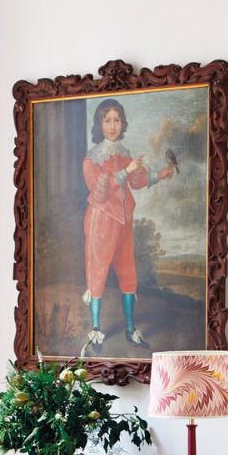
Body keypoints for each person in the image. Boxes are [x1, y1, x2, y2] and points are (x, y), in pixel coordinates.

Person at [81, 98, 175, 349]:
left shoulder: (124, 154)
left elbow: (137, 179)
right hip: (101, 222)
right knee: (98, 271)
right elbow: (100, 191)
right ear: (99, 124)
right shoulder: (91, 160)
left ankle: (131, 329)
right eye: (107, 120)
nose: (112, 125)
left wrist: (160, 174)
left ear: (123, 124)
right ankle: (96, 330)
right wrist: (125, 171)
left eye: (117, 120)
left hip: (123, 221)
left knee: (128, 272)